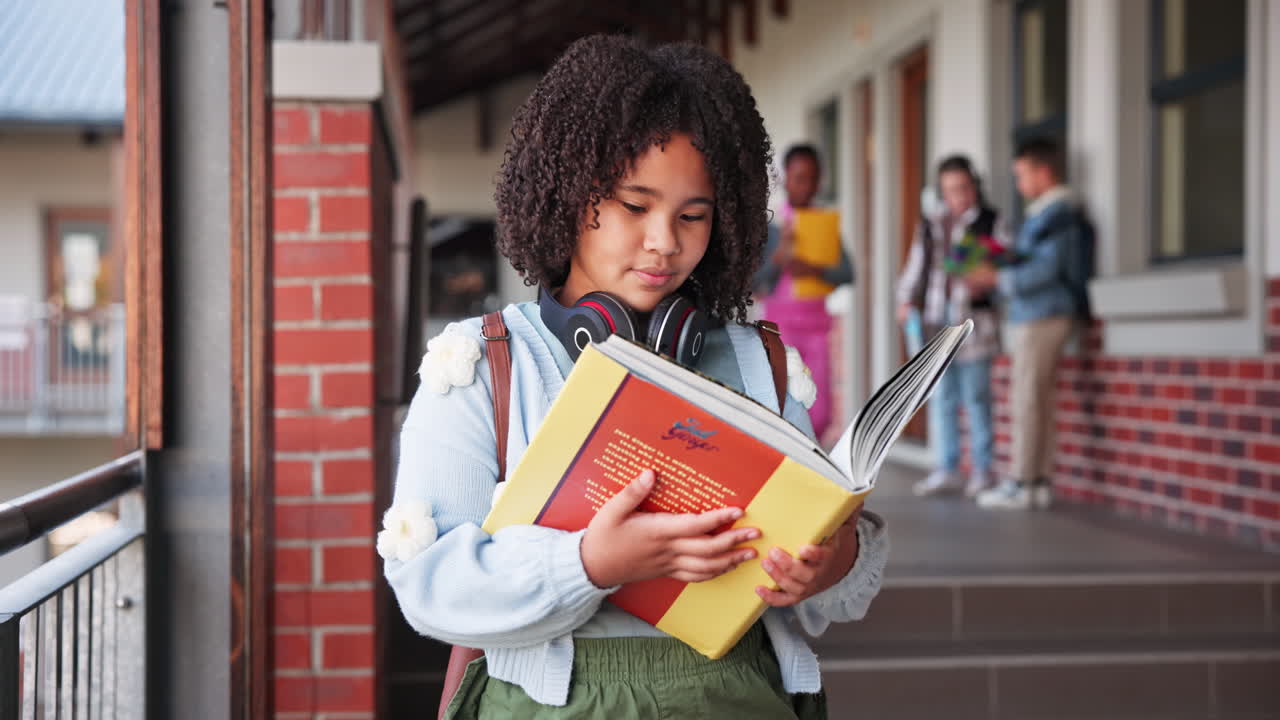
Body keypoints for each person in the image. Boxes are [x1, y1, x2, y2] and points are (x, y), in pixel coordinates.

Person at [382, 36, 888, 719]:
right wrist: (589, 564)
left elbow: (823, 544)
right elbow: (429, 587)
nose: (665, 242)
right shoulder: (480, 366)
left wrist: (829, 564)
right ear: (568, 194)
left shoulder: (757, 362)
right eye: (634, 205)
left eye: (693, 215)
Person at [965, 137, 1094, 510]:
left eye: (1022, 175)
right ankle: (1037, 482)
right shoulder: (1049, 214)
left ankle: (1022, 482)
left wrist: (996, 279)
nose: (1019, 185)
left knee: (1027, 400)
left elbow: (1046, 268)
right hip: (1041, 313)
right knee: (1036, 400)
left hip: (1043, 315)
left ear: (1043, 171)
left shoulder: (1058, 215)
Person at [895, 155, 1007, 498]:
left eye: (963, 188)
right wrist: (904, 299)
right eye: (950, 190)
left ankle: (983, 469)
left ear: (974, 187)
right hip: (935, 322)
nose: (957, 197)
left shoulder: (991, 222)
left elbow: (1005, 268)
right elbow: (916, 268)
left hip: (975, 322)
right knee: (941, 395)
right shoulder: (930, 225)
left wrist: (989, 280)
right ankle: (946, 466)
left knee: (976, 395)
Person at [754, 145, 853, 440]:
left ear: (819, 181)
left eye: (811, 179)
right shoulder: (772, 230)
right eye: (798, 178)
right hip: (781, 329)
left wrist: (815, 270)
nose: (805, 186)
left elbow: (848, 273)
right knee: (783, 405)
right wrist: (779, 257)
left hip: (817, 328)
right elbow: (754, 283)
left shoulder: (825, 227)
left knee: (821, 413)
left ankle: (811, 454)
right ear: (786, 179)